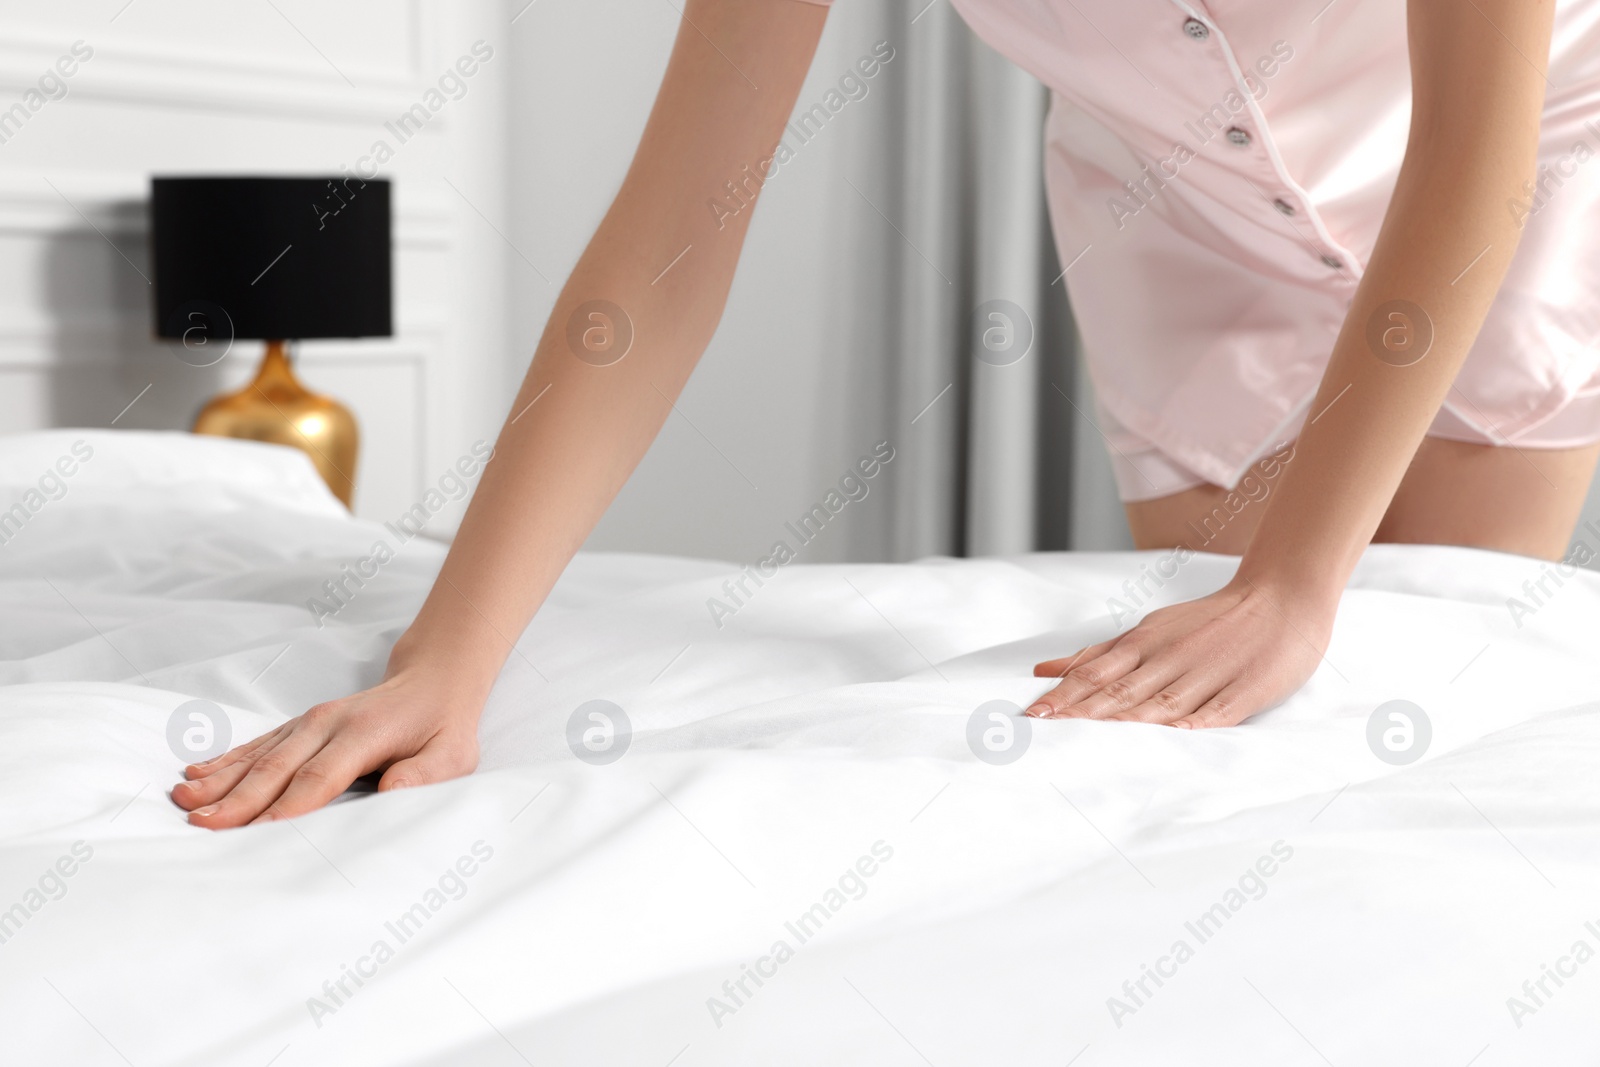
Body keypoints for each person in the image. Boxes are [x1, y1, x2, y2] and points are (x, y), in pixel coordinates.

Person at [173, 0, 1598, 828]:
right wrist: (448, 662)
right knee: (1205, 745)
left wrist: (1297, 576)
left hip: (1512, 160)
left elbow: (1474, 156)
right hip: (1181, 212)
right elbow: (668, 242)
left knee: (1412, 671)